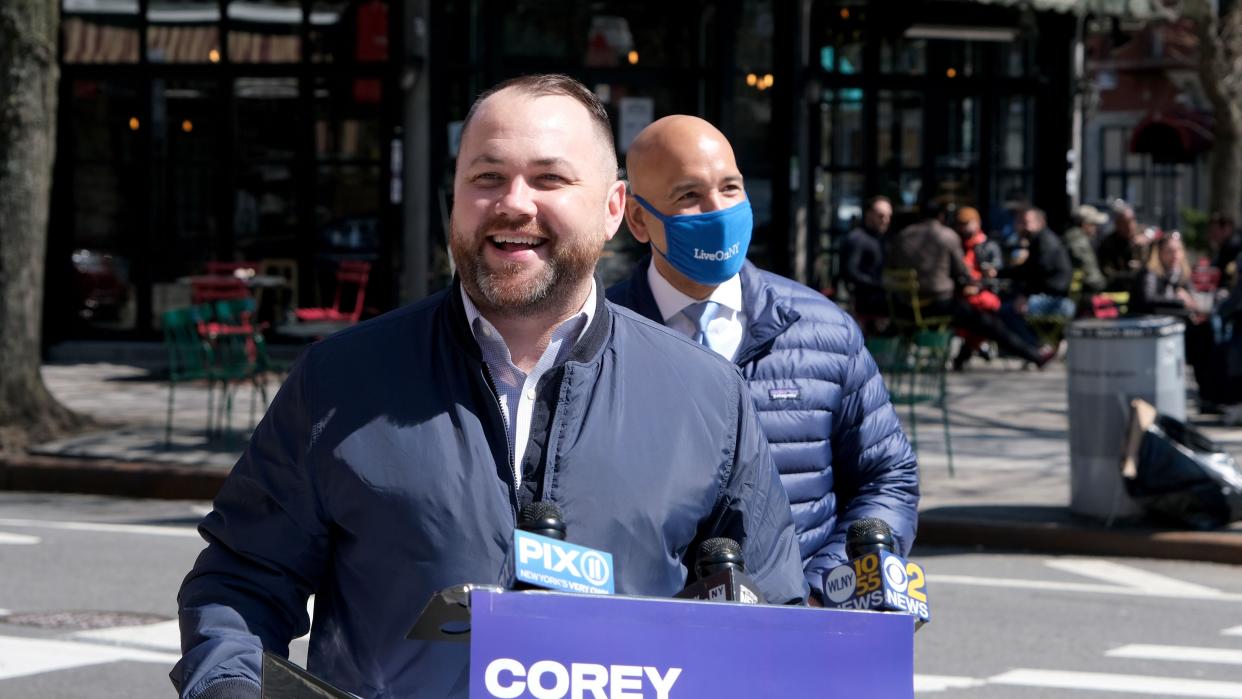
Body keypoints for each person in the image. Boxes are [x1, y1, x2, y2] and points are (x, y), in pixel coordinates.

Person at [172, 75, 807, 699]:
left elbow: (775, 619)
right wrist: (231, 687)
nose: (514, 202)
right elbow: (242, 581)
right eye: (487, 177)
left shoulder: (707, 397)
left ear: (614, 208)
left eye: (550, 178)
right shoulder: (340, 381)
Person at [606, 115, 919, 599]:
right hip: (654, 640)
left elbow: (887, 477)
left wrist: (821, 591)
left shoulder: (822, 330)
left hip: (796, 631)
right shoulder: (597, 339)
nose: (718, 209)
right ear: (638, 219)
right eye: (689, 196)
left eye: (730, 188)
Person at [885, 202, 1055, 367]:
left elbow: (891, 267)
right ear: (941, 217)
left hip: (904, 306)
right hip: (938, 303)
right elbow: (963, 273)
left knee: (977, 314)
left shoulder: (902, 236)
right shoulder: (946, 235)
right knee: (986, 321)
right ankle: (1034, 355)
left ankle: (963, 356)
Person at [840, 195, 892, 318]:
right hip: (864, 306)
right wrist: (878, 284)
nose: (886, 220)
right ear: (869, 214)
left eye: (889, 216)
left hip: (880, 304)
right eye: (881, 216)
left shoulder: (883, 239)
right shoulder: (858, 238)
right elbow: (850, 272)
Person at [1097, 203, 1148, 292]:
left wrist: (1146, 244)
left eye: (1132, 220)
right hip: (1119, 289)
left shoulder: (1143, 237)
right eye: (1125, 222)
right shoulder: (1108, 244)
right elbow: (1108, 274)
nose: (1130, 226)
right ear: (1117, 224)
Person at [1062, 204, 1108, 295]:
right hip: (1079, 296)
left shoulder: (1071, 237)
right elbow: (1091, 276)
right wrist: (1106, 286)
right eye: (1094, 224)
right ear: (1085, 225)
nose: (1096, 228)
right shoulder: (1080, 243)